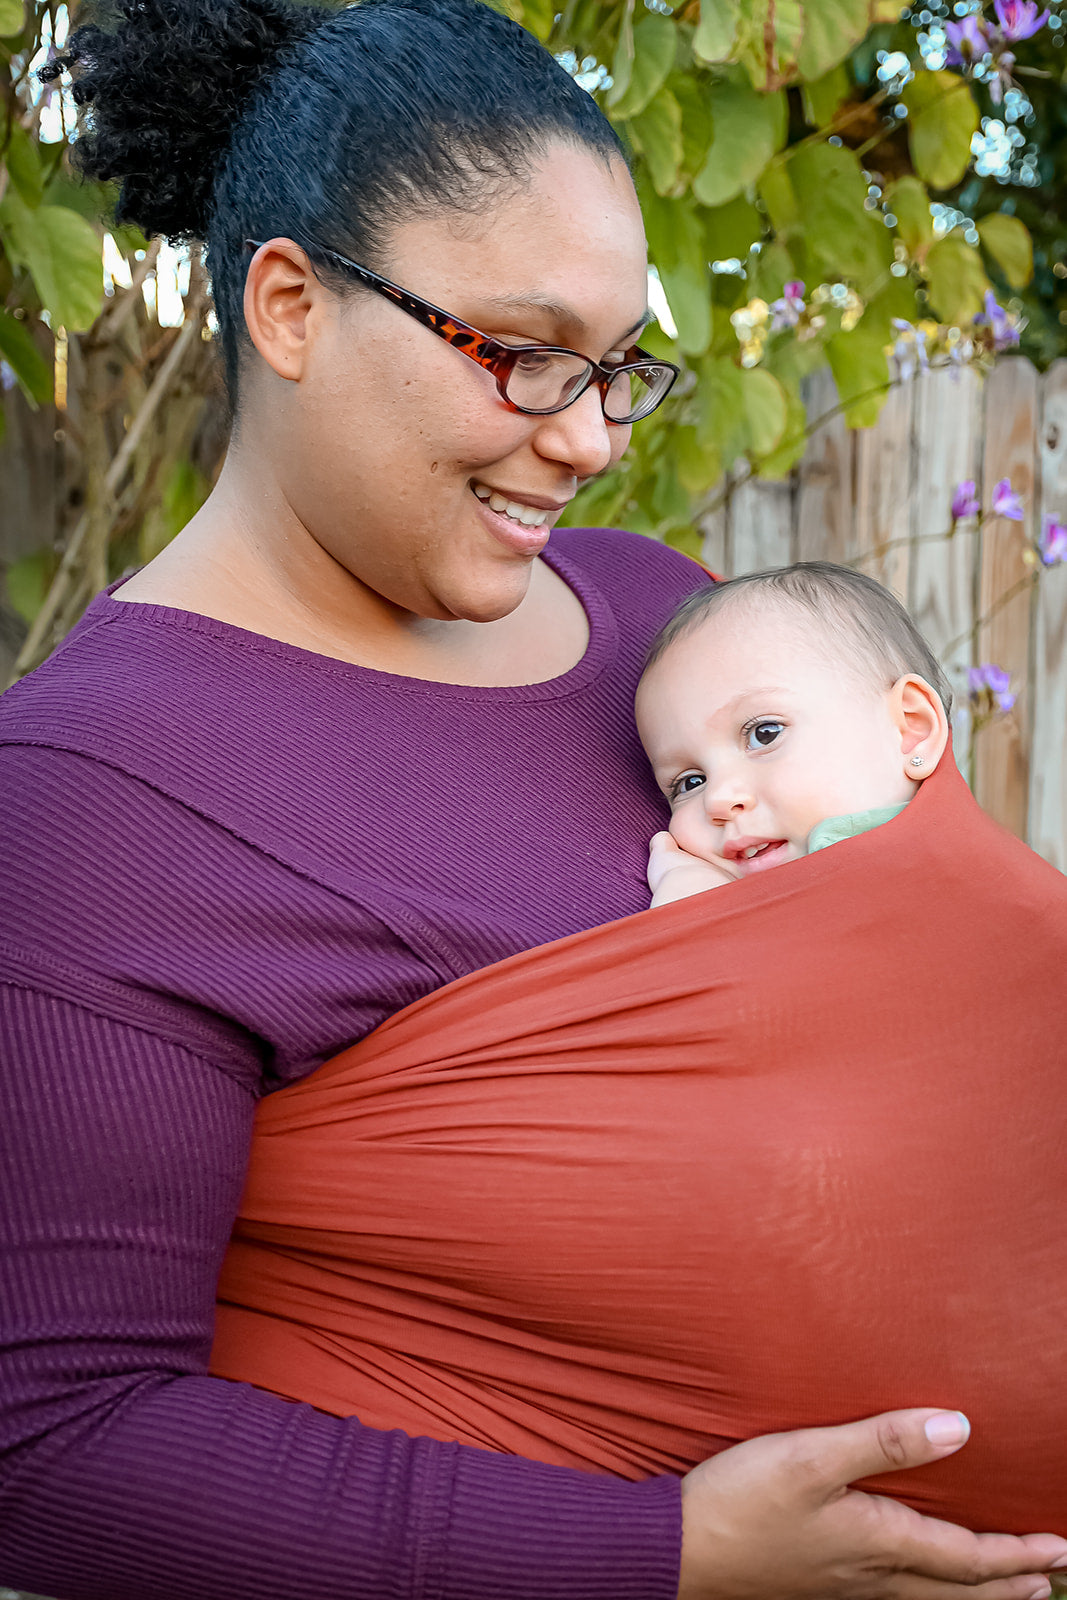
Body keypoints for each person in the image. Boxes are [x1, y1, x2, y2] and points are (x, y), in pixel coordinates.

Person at [1, 0, 1065, 1596]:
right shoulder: (100, 800)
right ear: (289, 306)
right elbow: (56, 1445)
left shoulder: (667, 625)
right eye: (522, 355)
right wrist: (669, 1552)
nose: (583, 439)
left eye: (616, 363)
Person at [637, 563, 953, 907]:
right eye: (690, 782)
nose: (718, 799)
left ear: (910, 726)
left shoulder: (931, 880)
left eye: (764, 733)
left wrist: (699, 922)